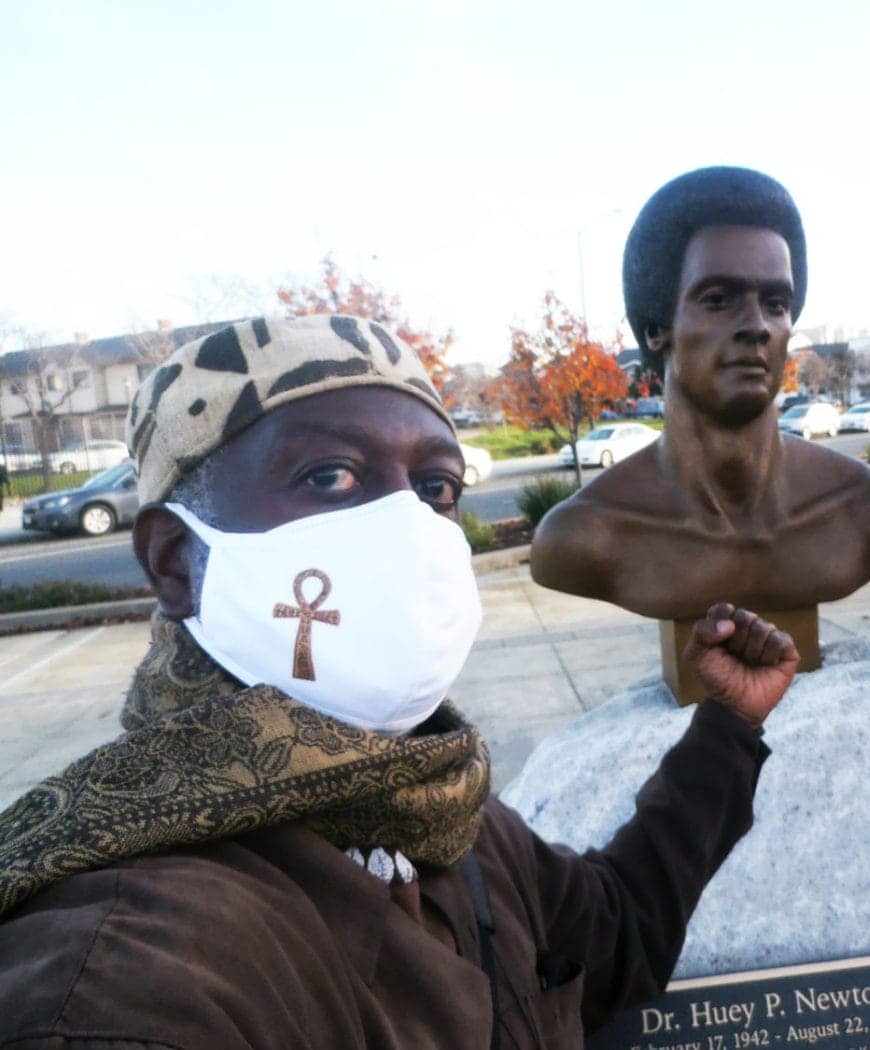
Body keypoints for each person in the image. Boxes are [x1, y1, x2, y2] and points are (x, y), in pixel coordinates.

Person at [0, 314, 801, 1048]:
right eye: (331, 476)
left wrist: (728, 725)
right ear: (177, 563)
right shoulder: (127, 977)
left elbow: (616, 938)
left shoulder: (448, 809)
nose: (410, 524)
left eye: (436, 488)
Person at [531, 166, 870, 621]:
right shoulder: (587, 537)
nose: (757, 327)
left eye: (776, 304)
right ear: (656, 329)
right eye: (719, 298)